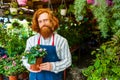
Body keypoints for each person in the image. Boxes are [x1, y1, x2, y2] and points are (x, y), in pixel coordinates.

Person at [22, 8, 71, 80]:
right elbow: (24, 58)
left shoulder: (61, 41)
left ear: (52, 22)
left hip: (54, 77)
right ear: (37, 24)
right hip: (35, 77)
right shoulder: (31, 41)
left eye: (46, 20)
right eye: (40, 21)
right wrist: (30, 66)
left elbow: (68, 61)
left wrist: (53, 66)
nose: (43, 23)